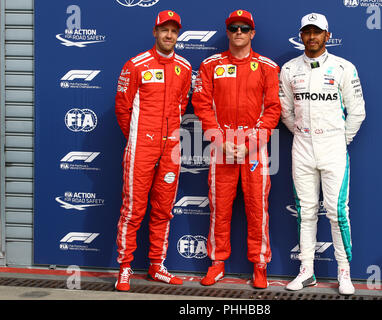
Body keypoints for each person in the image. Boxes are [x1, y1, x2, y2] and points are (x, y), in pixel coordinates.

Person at [192, 9, 281, 289]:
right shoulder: (210, 65)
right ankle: (217, 263)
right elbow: (202, 105)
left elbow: (273, 109)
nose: (239, 33)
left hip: (254, 150)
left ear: (252, 33)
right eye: (234, 28)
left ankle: (260, 265)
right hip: (222, 146)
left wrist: (250, 145)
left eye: (244, 28)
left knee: (258, 208)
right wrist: (219, 139)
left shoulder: (267, 67)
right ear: (228, 33)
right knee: (219, 207)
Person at [279, 13, 365, 295]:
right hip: (302, 147)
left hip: (333, 148)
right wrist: (303, 134)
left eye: (317, 32)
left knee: (338, 213)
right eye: (307, 32)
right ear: (301, 35)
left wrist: (340, 140)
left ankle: (344, 272)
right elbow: (286, 112)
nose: (312, 37)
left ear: (328, 36)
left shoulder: (343, 68)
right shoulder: (290, 69)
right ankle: (306, 271)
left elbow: (357, 112)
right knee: (305, 212)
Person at [114, 10, 192, 291]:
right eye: (164, 30)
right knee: (133, 209)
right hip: (141, 147)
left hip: (171, 148)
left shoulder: (184, 67)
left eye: (173, 30)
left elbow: (182, 105)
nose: (169, 35)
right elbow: (123, 109)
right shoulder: (136, 65)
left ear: (177, 34)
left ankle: (156, 265)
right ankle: (125, 268)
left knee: (163, 210)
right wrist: (138, 138)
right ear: (155, 32)